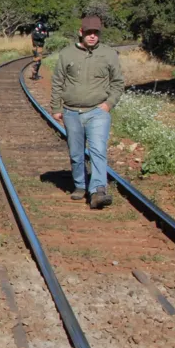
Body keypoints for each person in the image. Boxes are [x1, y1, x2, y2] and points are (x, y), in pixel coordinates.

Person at [50, 15, 124, 210]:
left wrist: (109, 104)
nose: (92, 36)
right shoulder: (67, 54)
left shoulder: (109, 54)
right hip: (71, 112)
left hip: (97, 111)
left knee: (98, 150)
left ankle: (98, 190)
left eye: (96, 33)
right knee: (76, 153)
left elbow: (118, 83)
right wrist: (56, 108)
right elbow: (58, 82)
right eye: (89, 32)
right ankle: (80, 185)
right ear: (81, 32)